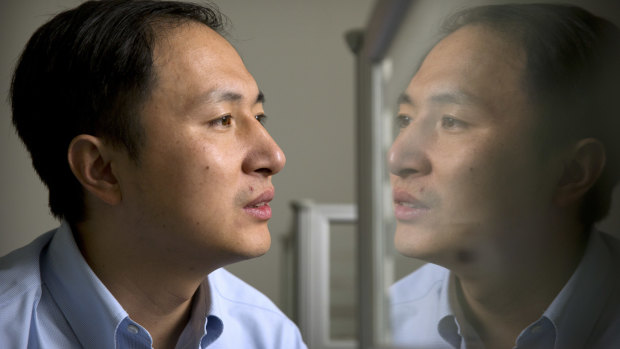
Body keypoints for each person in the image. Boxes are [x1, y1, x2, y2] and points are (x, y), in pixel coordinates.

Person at [0, 0, 306, 348]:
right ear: (102, 169)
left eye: (258, 116)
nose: (274, 157)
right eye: (222, 119)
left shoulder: (270, 335)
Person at [388, 3, 620, 349]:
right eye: (405, 119)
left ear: (572, 172)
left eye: (451, 121)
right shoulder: (387, 325)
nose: (398, 158)